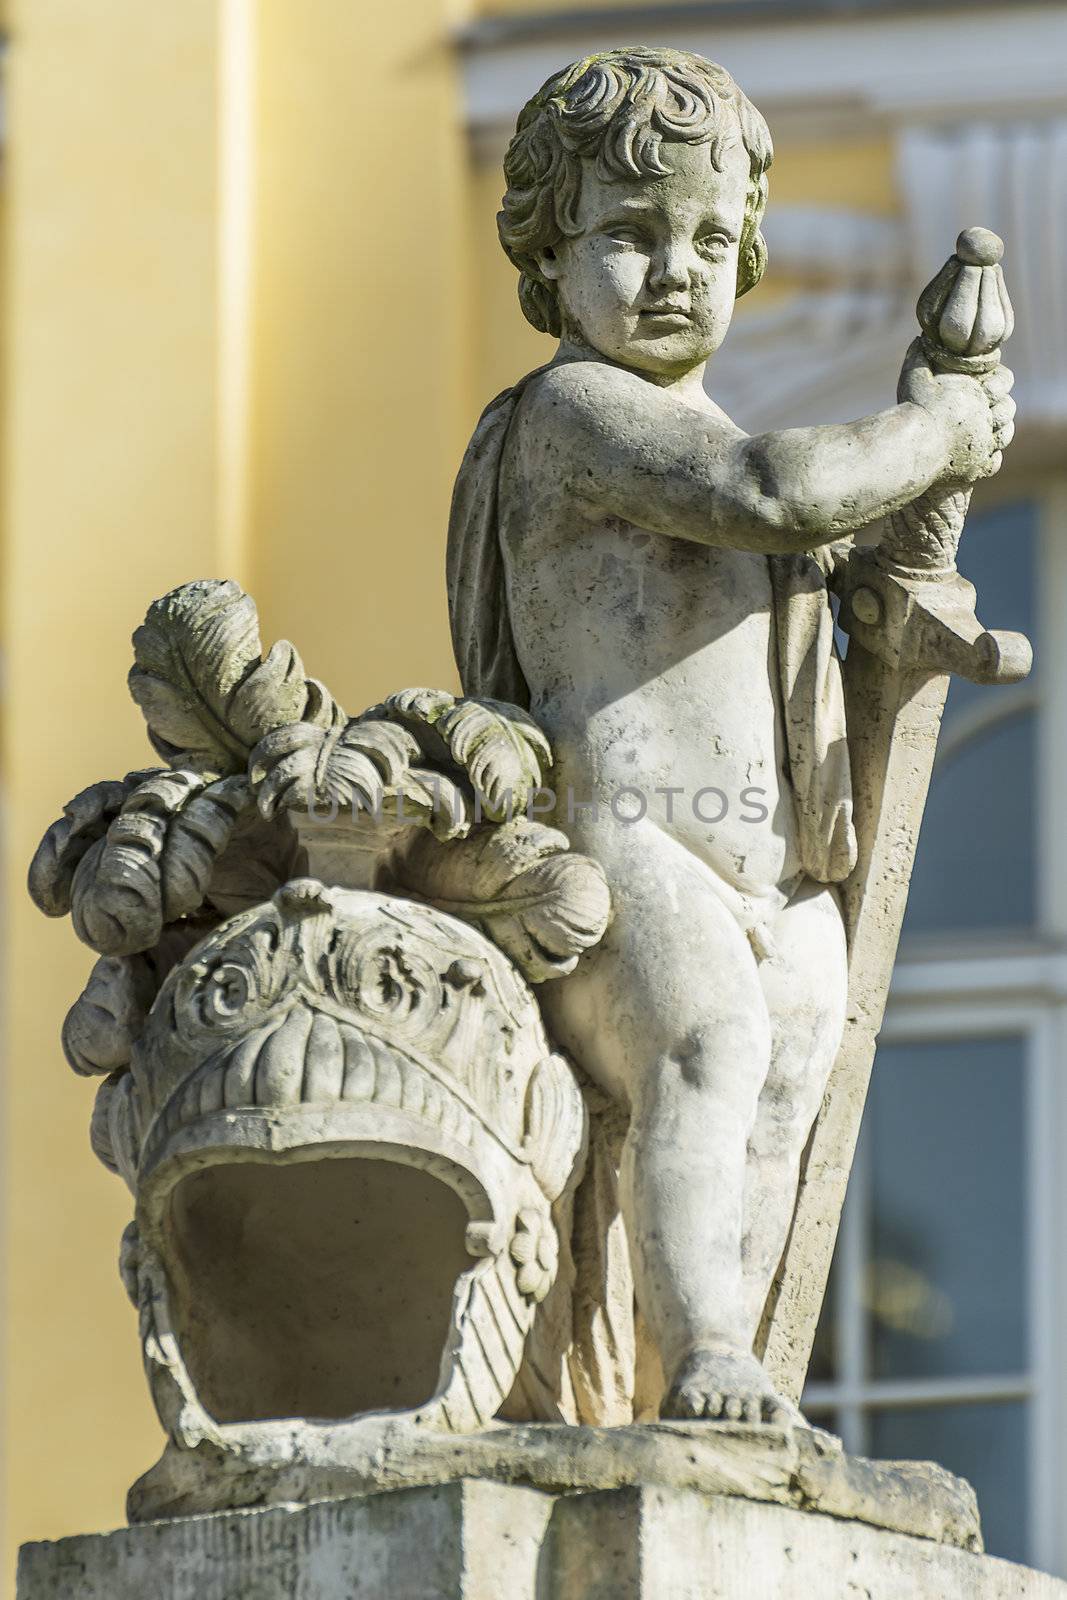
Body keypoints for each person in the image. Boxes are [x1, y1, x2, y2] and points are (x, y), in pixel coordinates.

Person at [447, 47, 1014, 1424]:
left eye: (710, 236)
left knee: (782, 1097)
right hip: (632, 843)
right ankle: (706, 1350)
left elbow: (804, 597)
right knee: (703, 1050)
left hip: (778, 873)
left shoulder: (698, 427)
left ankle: (720, 1366)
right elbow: (776, 493)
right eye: (630, 236)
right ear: (548, 252)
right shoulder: (578, 415)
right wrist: (934, 430)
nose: (677, 270)